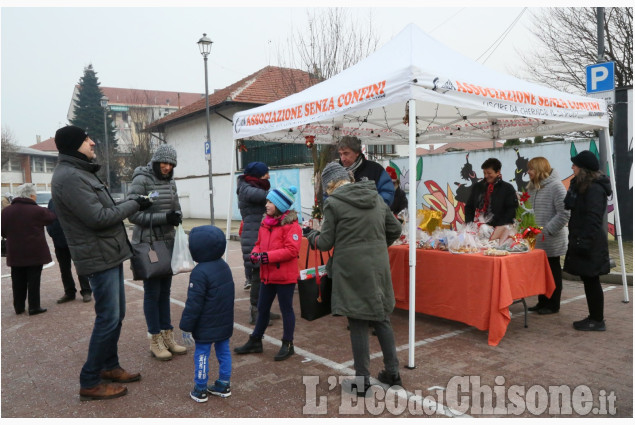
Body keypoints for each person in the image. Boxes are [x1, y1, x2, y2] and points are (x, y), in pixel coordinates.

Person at [51, 125, 152, 401]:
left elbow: (104, 208)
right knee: (108, 318)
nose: (93, 143)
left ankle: (109, 366)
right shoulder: (70, 177)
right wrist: (134, 205)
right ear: (74, 145)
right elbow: (99, 218)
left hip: (108, 252)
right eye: (87, 140)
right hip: (98, 256)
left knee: (114, 316)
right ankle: (90, 380)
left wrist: (131, 201)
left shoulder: (80, 173)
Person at [307, 162, 402, 396]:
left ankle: (362, 382)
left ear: (330, 185)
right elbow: (396, 230)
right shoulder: (376, 198)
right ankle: (393, 373)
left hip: (351, 269)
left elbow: (326, 242)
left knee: (358, 321)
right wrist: (377, 247)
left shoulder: (335, 204)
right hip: (378, 267)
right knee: (381, 317)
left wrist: (311, 236)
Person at [128, 144, 187, 361]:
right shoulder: (141, 180)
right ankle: (155, 339)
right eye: (164, 162)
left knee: (165, 292)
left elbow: (176, 205)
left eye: (171, 164)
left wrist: (177, 215)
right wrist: (164, 218)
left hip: (168, 242)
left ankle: (167, 335)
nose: (167, 167)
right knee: (152, 293)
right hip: (149, 245)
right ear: (155, 161)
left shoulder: (171, 181)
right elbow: (132, 215)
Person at [234, 186, 302, 361]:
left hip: (284, 277)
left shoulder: (291, 225)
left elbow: (291, 250)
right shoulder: (266, 222)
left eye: (270, 202)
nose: (267, 205)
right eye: (267, 201)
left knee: (286, 309)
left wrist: (265, 257)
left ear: (279, 205)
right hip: (267, 275)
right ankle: (256, 339)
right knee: (262, 308)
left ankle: (288, 343)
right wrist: (256, 253)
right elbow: (258, 242)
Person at [180, 225, 234, 402]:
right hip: (224, 322)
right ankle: (224, 384)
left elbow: (193, 304)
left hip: (205, 325)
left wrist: (186, 326)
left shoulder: (199, 272)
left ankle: (200, 388)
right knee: (223, 352)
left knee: (202, 354)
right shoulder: (224, 266)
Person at [563, 151, 612, 331]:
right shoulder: (582, 186)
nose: (572, 167)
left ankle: (597, 320)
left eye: (575, 165)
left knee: (592, 280)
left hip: (590, 242)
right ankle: (594, 317)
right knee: (589, 279)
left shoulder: (594, 189)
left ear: (583, 169)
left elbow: (593, 218)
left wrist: (583, 242)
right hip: (584, 239)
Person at [1, 183, 56, 315]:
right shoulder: (37, 210)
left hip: (15, 252)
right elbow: (52, 218)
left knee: (17, 280)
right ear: (31, 195)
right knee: (33, 280)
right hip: (34, 251)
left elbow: (3, 232)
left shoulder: (6, 211)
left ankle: (18, 307)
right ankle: (34, 306)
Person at [525, 157, 570, 315]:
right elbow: (528, 211)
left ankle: (553, 304)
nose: (528, 172)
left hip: (551, 239)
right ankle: (542, 301)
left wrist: (548, 230)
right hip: (535, 239)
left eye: (531, 169)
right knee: (540, 273)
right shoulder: (531, 187)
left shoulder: (556, 187)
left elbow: (565, 213)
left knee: (553, 271)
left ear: (539, 169)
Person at [236, 161, 279, 324]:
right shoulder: (247, 189)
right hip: (253, 236)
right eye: (265, 173)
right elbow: (265, 197)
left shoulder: (253, 186)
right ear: (257, 175)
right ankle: (256, 312)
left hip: (261, 233)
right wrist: (282, 195)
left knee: (266, 274)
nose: (268, 176)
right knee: (258, 275)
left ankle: (264, 309)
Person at [47, 198, 93, 304]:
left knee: (81, 267)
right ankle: (69, 292)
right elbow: (50, 219)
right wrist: (51, 232)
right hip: (59, 241)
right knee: (64, 269)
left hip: (76, 240)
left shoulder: (74, 198)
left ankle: (86, 291)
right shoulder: (52, 201)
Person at [337, 136, 394, 206]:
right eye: (340, 154)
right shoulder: (335, 172)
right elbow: (327, 196)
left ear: (357, 152)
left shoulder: (375, 169)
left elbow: (387, 193)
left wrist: (374, 209)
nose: (343, 158)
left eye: (346, 153)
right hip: (342, 216)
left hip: (371, 215)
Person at [465, 157, 518, 227]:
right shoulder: (477, 187)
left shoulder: (507, 188)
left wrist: (498, 226)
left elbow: (511, 211)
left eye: (489, 173)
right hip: (477, 227)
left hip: (499, 229)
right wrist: (469, 224)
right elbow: (469, 207)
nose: (486, 176)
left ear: (498, 172)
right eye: (484, 173)